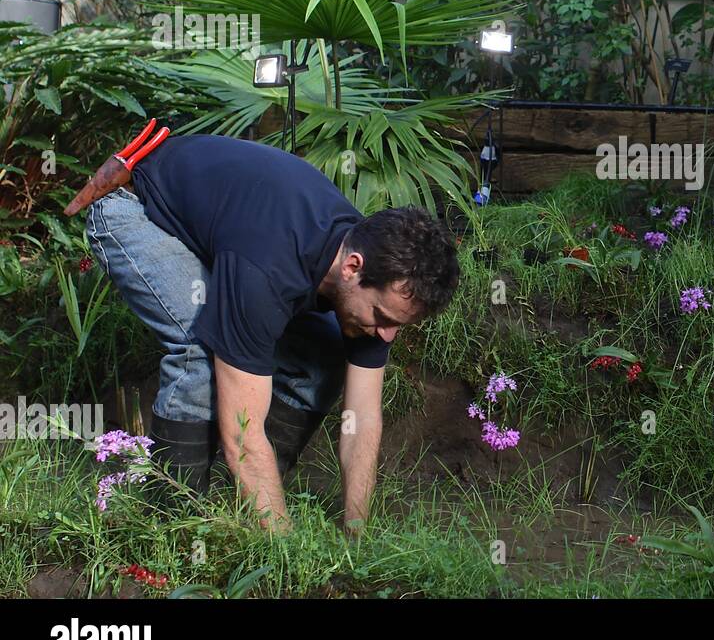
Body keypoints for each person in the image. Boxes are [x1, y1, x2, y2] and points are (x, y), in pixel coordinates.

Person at [84, 133, 460, 533]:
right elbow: (242, 433)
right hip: (136, 208)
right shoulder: (268, 269)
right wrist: (285, 551)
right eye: (383, 317)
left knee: (324, 359)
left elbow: (363, 417)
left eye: (398, 325)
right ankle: (172, 525)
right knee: (198, 352)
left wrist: (357, 530)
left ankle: (234, 504)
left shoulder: (371, 263)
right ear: (352, 267)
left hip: (227, 228)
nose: (386, 337)